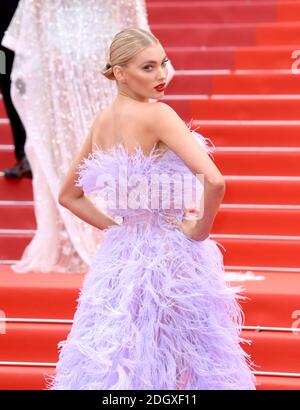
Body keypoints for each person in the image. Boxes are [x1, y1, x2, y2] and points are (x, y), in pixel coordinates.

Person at [45, 28, 256, 390]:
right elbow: (215, 181)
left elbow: (69, 195)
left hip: (119, 256)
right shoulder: (159, 115)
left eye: (164, 63)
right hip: (170, 254)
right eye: (148, 67)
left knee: (122, 352)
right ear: (120, 73)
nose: (161, 75)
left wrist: (116, 227)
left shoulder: (102, 122)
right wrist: (199, 230)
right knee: (180, 354)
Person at [1, 0, 174, 273]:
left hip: (82, 55)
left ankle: (112, 229)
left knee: (95, 143)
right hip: (69, 58)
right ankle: (97, 232)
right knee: (76, 145)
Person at [0, 0, 31, 178]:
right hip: (8, 49)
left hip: (16, 46)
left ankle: (26, 155)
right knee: (11, 92)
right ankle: (24, 155)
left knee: (17, 94)